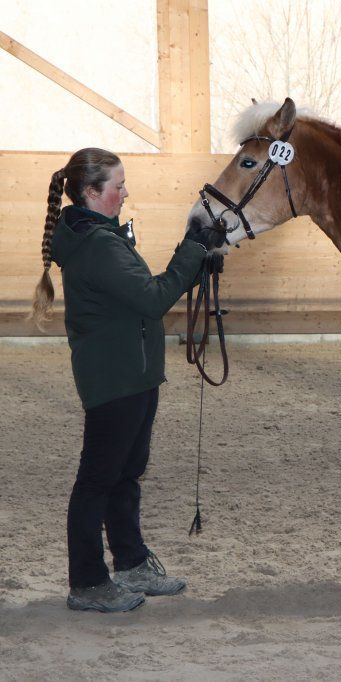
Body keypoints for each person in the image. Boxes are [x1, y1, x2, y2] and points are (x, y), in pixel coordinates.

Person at [29, 147, 222, 612]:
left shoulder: (100, 237)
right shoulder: (97, 245)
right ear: (93, 193)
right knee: (97, 479)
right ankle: (88, 582)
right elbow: (153, 299)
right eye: (117, 185)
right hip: (116, 379)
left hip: (131, 374)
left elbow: (139, 296)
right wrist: (192, 250)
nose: (125, 191)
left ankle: (131, 562)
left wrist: (194, 266)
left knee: (125, 474)